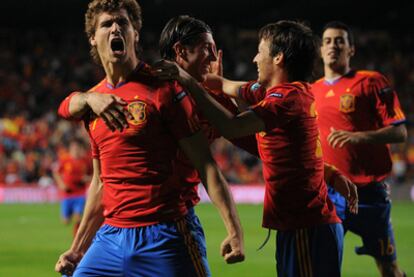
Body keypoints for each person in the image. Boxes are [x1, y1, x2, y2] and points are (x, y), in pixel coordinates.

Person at [153, 20, 358, 277]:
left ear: (279, 58)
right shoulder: (268, 91)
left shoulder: (287, 98)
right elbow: (227, 86)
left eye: (260, 51)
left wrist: (189, 81)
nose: (254, 58)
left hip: (307, 227)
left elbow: (232, 127)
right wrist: (205, 78)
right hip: (296, 227)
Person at [54, 1, 245, 276]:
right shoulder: (93, 103)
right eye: (107, 24)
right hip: (110, 238)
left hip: (165, 234)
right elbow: (100, 183)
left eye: (123, 22)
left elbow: (206, 165)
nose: (116, 28)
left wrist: (234, 230)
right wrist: (77, 248)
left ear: (135, 34)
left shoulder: (163, 88)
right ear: (93, 38)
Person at [312, 21, 407, 277]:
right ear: (320, 49)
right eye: (328, 41)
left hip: (370, 194)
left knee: (388, 268)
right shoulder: (311, 91)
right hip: (330, 194)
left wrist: (358, 137)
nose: (333, 46)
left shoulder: (371, 82)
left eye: (340, 40)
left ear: (351, 49)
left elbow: (400, 132)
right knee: (325, 266)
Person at [52, 138, 91, 236]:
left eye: (77, 148)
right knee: (65, 221)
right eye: (74, 148)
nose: (76, 150)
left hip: (80, 194)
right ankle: (72, 220)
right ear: (70, 149)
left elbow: (93, 175)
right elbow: (56, 172)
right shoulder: (65, 160)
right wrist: (61, 184)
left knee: (78, 218)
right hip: (67, 194)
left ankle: (77, 237)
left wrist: (86, 178)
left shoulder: (85, 161)